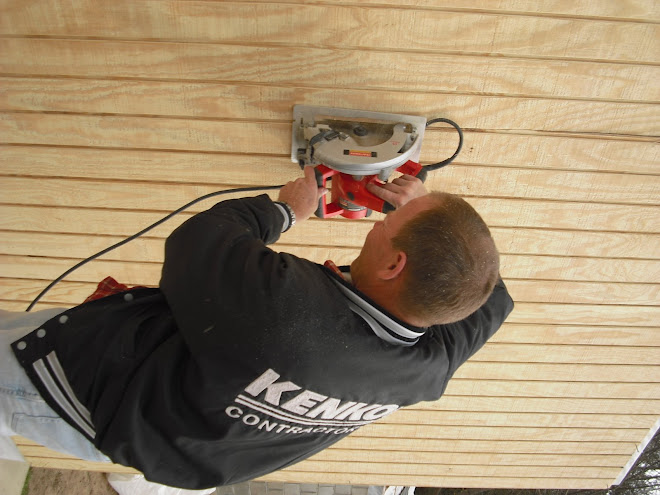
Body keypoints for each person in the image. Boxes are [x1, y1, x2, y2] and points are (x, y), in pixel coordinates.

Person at [1, 168, 513, 490]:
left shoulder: (282, 305)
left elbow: (200, 238)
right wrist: (423, 210)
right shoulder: (429, 369)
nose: (378, 220)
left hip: (77, 391)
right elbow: (490, 290)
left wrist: (284, 210)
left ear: (394, 266)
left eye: (387, 224)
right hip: (196, 453)